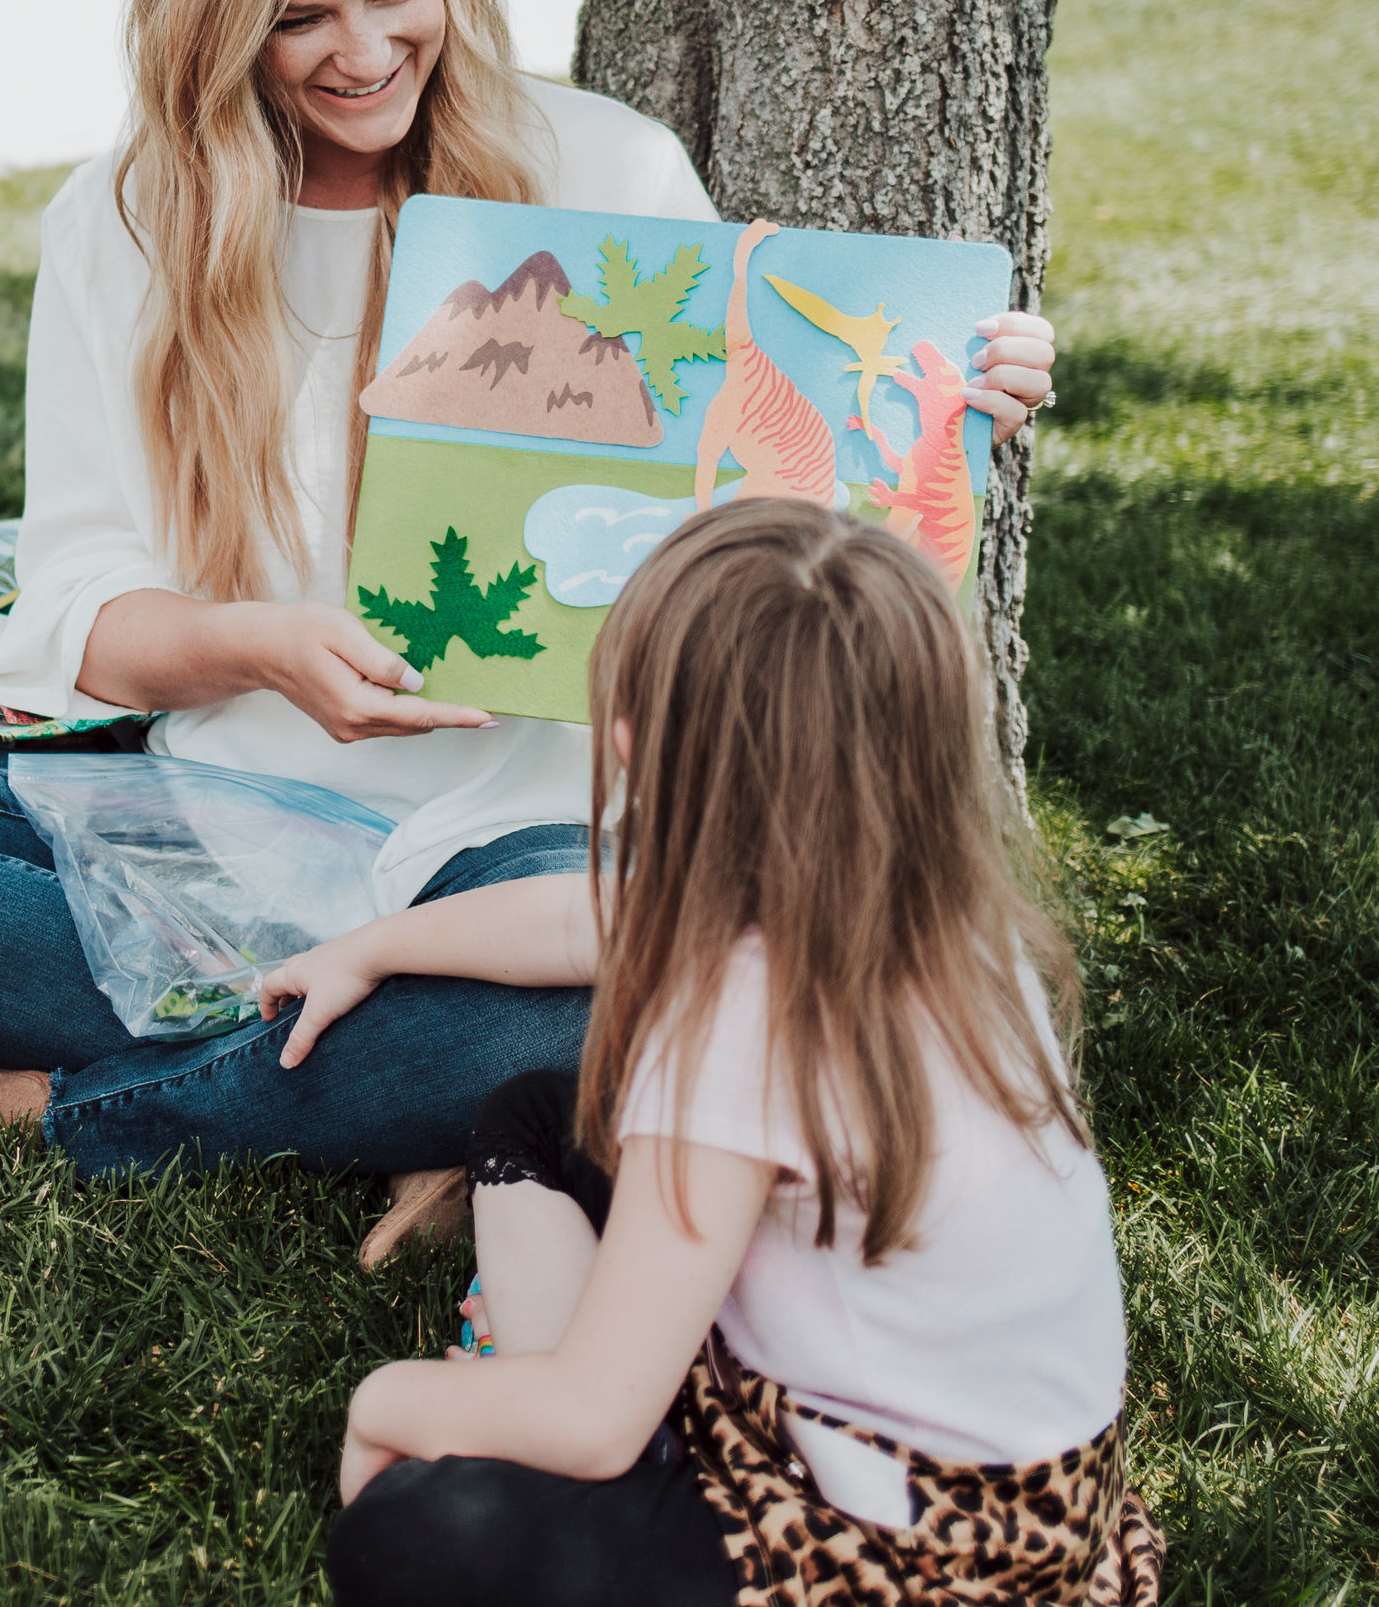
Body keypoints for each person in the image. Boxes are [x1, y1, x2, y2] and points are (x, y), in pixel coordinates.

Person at [0, 0, 1058, 1252]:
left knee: (643, 991)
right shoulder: (123, 223)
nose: (364, 52)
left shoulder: (604, 167)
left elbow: (755, 523)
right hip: (225, 824)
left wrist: (939, 416)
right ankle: (418, 1097)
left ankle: (28, 1109)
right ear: (215, 23)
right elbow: (83, 609)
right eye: (299, 18)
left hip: (545, 842)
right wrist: (262, 650)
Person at [309, 499, 1158, 1607]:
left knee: (415, 1534)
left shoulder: (736, 1021)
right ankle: (595, 1398)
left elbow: (593, 1422)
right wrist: (372, 948)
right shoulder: (935, 915)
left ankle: (583, 1424)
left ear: (631, 744)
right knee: (538, 1116)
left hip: (908, 1556)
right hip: (1032, 1496)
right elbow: (577, 920)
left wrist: (385, 1402)